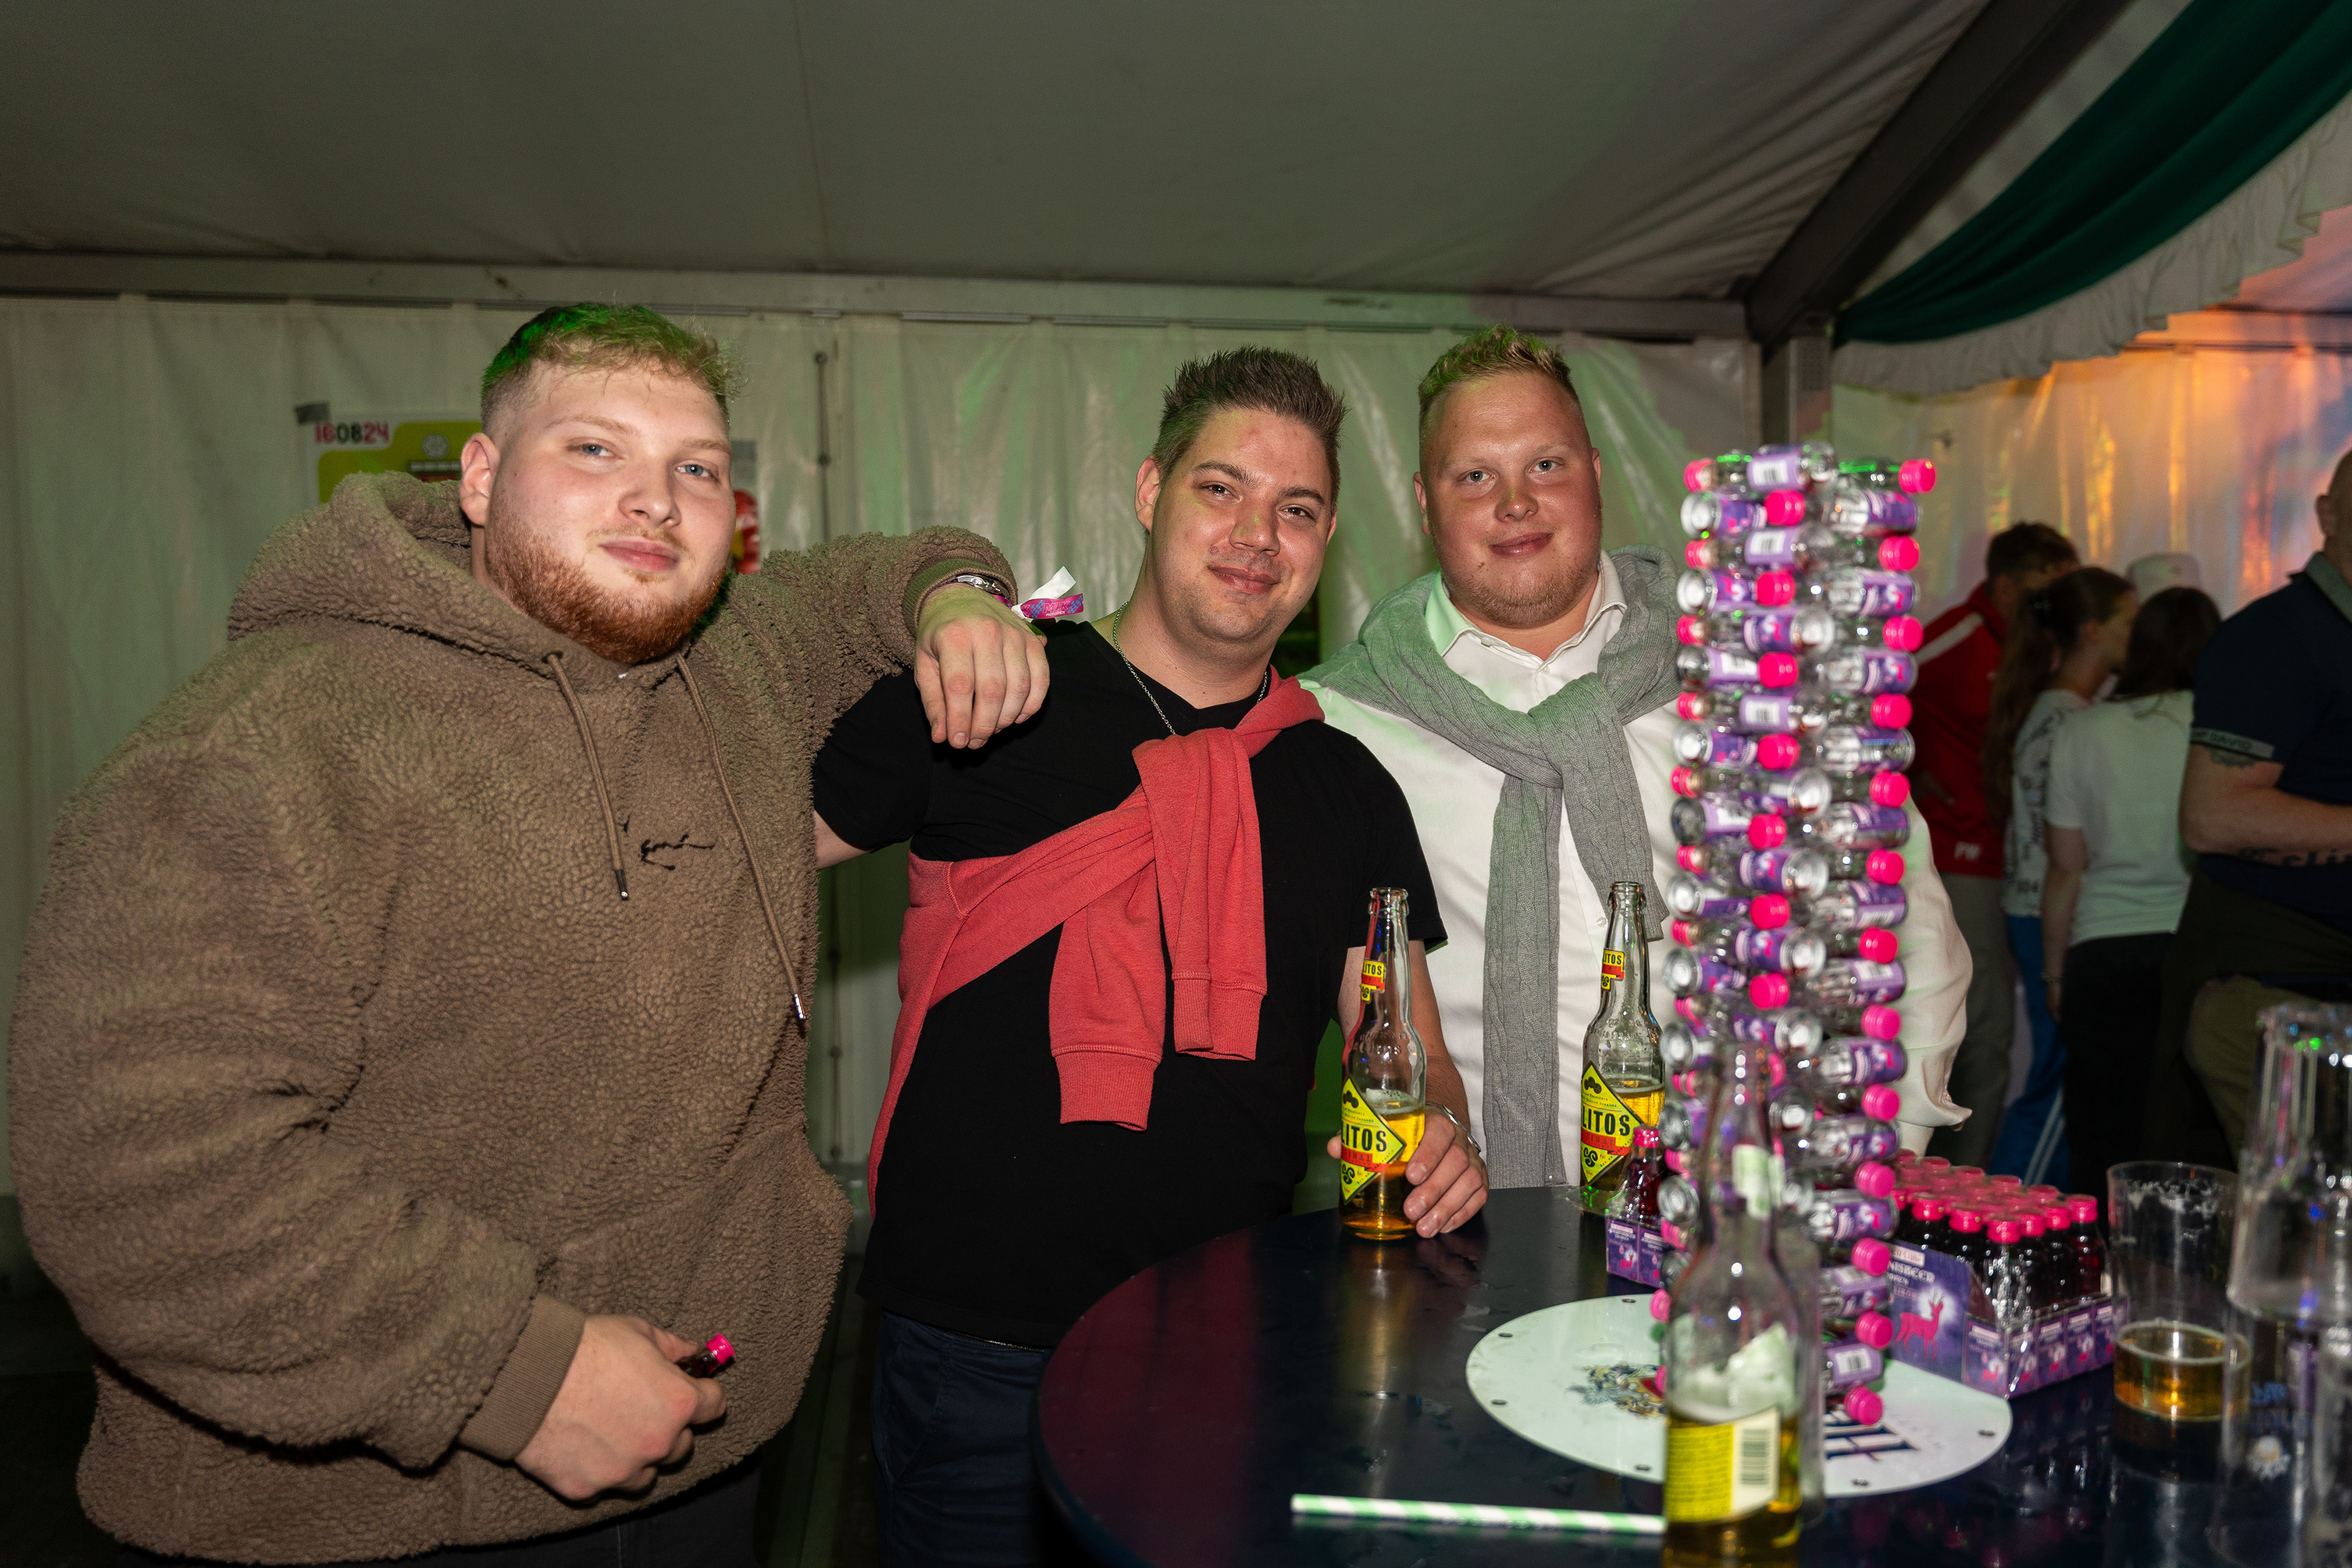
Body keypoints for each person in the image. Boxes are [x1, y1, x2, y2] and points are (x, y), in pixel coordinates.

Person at [7, 304, 1049, 1566]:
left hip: (695, 1448)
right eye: (595, 450)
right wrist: (513, 1369)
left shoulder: (734, 664)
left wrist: (956, 596)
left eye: (697, 468)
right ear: (481, 477)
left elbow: (865, 580)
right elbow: (137, 1169)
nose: (656, 499)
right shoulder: (267, 750)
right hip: (355, 1512)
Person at [810, 347, 1488, 1567]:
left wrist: (1442, 1129)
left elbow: (1413, 1049)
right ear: (1147, 491)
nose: (1256, 536)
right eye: (1220, 489)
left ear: (1327, 541)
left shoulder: (1345, 783)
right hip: (976, 1349)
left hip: (1226, 1346)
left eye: (1297, 509)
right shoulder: (996, 688)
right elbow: (727, 864)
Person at [1305, 326, 1971, 1182]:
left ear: (1595, 473)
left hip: (1726, 1214)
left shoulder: (1751, 682)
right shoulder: (1342, 723)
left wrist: (1875, 1150)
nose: (1516, 502)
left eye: (1546, 464)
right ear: (1423, 504)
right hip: (1460, 1224)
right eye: (1474, 476)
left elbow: (1905, 925)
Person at [2155, 451, 2352, 1164]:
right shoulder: (2280, 637)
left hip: (2317, 991)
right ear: (2328, 515)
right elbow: (2214, 817)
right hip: (2281, 989)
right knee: (2310, 1205)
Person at [1912, 520, 2079, 1165]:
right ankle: (1949, 1193)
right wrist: (1913, 774)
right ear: (2007, 587)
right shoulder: (1960, 636)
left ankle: (1958, 1185)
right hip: (1961, 858)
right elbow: (1867, 693)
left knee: (1991, 1034)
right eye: (2047, 587)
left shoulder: (2037, 649)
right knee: (1978, 1031)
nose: (2057, 603)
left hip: (2011, 861)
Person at [2041, 586, 2220, 1191]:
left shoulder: (2083, 730)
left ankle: (2101, 1250)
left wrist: (2055, 974)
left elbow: (2065, 869)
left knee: (2104, 1130)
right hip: (2196, 947)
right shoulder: (2219, 729)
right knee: (2190, 1133)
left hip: (2103, 947)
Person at [1981, 567, 2137, 1185]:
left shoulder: (2063, 712)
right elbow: (2064, 845)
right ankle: (2004, 1216)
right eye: (2130, 620)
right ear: (2094, 630)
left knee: (2059, 1081)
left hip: (2045, 910)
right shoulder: (2065, 722)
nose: (2140, 633)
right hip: (2051, 915)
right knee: (2056, 1091)